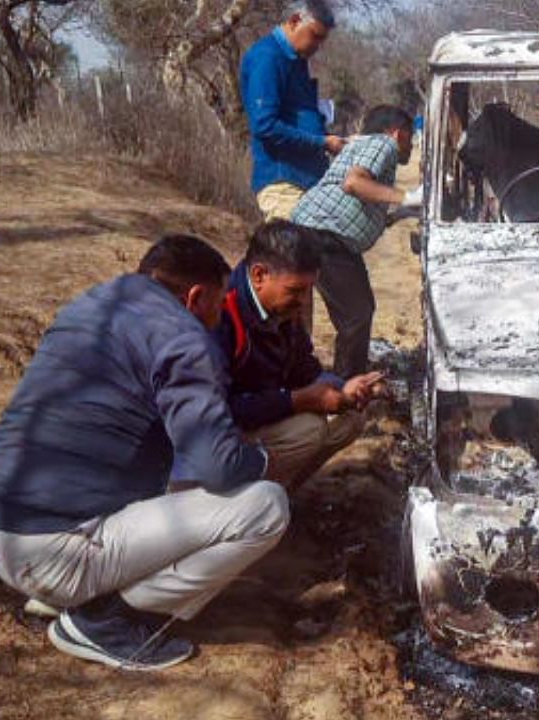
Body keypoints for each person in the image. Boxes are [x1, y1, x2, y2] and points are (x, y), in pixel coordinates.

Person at [0, 236, 281, 671]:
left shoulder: (96, 304)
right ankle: (107, 621)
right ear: (194, 297)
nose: (219, 317)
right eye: (217, 303)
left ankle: (66, 594)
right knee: (265, 505)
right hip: (54, 550)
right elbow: (218, 465)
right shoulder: (183, 337)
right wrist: (261, 460)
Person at [215, 221, 384, 488]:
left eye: (308, 290)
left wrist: (344, 388)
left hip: (262, 414)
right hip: (221, 439)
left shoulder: (281, 309)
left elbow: (304, 367)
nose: (304, 300)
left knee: (350, 418)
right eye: (295, 290)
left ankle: (282, 492)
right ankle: (250, 503)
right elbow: (219, 409)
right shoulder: (222, 315)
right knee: (308, 430)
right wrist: (296, 401)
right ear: (259, 275)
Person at [291, 105, 420, 378]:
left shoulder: (363, 148)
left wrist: (403, 212)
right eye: (410, 136)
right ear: (397, 133)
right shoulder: (383, 144)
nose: (412, 143)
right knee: (357, 315)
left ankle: (314, 379)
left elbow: (361, 205)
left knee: (342, 312)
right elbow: (353, 184)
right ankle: (347, 393)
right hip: (325, 234)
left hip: (315, 229)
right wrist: (407, 197)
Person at [241, 0, 343, 222]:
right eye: (315, 36)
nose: (318, 45)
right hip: (284, 184)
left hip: (305, 182)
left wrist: (328, 139)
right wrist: (322, 143)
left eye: (322, 39)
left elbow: (299, 118)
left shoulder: (296, 61)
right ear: (295, 21)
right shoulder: (268, 57)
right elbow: (264, 126)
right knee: (288, 254)